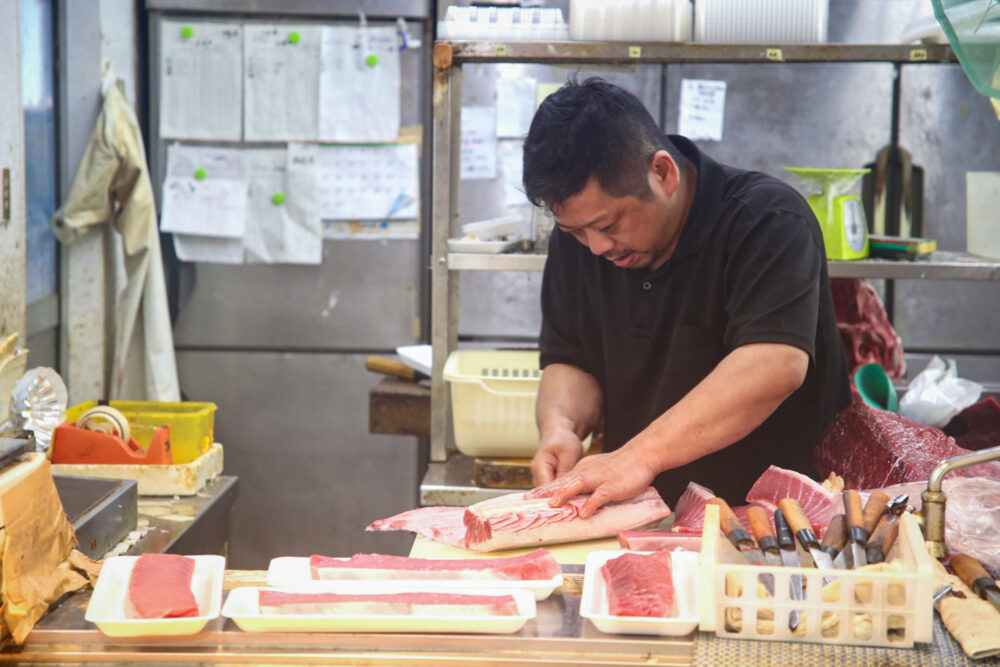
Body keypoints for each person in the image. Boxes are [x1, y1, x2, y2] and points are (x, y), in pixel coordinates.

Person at [523, 77, 851, 517]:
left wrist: (639, 455)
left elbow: (775, 364)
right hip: (646, 517)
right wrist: (561, 427)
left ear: (663, 173)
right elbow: (572, 357)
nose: (597, 247)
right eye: (575, 231)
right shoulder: (580, 242)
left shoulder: (767, 221)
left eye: (608, 224)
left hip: (779, 522)